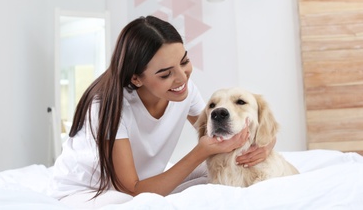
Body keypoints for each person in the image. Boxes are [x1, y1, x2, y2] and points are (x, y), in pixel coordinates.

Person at [48, 15, 275, 208]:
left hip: (142, 182)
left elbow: (217, 131)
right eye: (165, 74)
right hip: (89, 191)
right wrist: (199, 152)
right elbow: (135, 190)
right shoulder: (108, 108)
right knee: (140, 205)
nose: (181, 78)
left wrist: (265, 145)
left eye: (184, 61)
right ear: (136, 78)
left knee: (213, 177)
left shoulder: (184, 89)